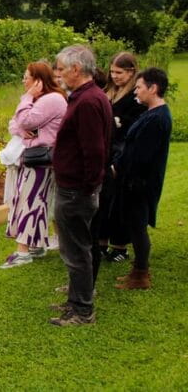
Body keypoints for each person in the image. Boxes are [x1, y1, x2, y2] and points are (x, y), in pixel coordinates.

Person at [49, 45, 113, 326]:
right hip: (76, 187)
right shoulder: (89, 97)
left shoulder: (87, 101)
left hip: (76, 190)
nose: (59, 74)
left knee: (76, 251)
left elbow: (95, 150)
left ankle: (83, 311)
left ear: (77, 69)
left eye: (62, 69)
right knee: (76, 249)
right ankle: (75, 302)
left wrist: (87, 188)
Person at [0, 62, 67, 268]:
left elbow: (26, 121)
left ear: (38, 80)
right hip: (31, 157)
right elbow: (15, 123)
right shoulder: (40, 99)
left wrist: (27, 99)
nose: (23, 80)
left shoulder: (51, 99)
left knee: (32, 201)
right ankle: (35, 246)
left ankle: (23, 253)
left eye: (26, 76)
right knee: (27, 200)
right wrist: (22, 128)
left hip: (41, 160)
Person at [113, 68, 172, 290]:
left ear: (153, 88)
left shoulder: (157, 119)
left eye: (139, 87)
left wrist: (118, 167)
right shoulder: (150, 113)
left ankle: (140, 275)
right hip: (133, 181)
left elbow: (140, 156)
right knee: (134, 225)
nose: (135, 91)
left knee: (138, 228)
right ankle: (138, 270)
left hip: (140, 184)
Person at [94, 53, 145, 269]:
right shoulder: (109, 91)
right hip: (106, 150)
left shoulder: (136, 95)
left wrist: (117, 122)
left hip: (122, 152)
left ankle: (120, 246)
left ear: (131, 71)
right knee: (104, 200)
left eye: (119, 72)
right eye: (112, 72)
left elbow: (135, 124)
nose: (114, 76)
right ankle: (102, 241)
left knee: (119, 201)